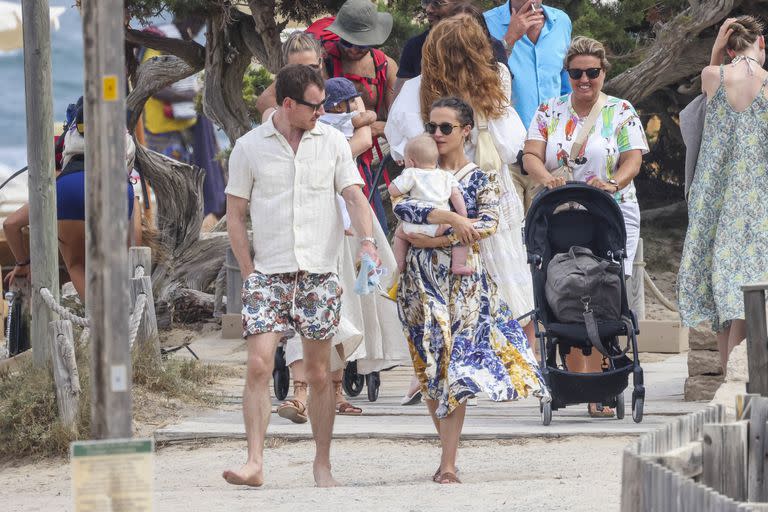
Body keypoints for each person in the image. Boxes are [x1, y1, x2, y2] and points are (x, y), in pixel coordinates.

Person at [222, 64, 379, 488]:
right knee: (258, 365)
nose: (323, 112)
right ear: (287, 104)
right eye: (314, 105)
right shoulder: (248, 147)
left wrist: (367, 243)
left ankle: (322, 462)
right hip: (268, 272)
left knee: (319, 372)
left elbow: (354, 195)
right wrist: (249, 271)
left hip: (319, 270)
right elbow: (235, 216)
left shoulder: (331, 143)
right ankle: (254, 462)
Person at [394, 96, 549, 484]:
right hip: (419, 281)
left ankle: (448, 460)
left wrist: (435, 237)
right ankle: (447, 446)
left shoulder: (481, 177)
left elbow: (488, 223)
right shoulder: (415, 167)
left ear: (465, 131)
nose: (437, 134)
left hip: (463, 282)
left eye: (446, 127)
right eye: (432, 126)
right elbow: (400, 208)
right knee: (428, 366)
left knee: (455, 367)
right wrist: (450, 219)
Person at [522, 36, 648, 417]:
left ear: (603, 72)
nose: (584, 80)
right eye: (576, 73)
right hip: (561, 211)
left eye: (592, 72)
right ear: (568, 74)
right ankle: (580, 379)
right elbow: (531, 154)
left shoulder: (620, 110)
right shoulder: (549, 110)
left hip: (611, 211)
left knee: (606, 288)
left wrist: (613, 183)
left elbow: (632, 159)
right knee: (568, 288)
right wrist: (546, 178)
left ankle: (603, 383)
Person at [678, 15, 768, 373]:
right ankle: (737, 381)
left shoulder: (712, 76)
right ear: (762, 44)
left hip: (714, 194)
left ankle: (730, 379)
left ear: (729, 47)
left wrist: (717, 47)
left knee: (722, 293)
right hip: (755, 196)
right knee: (749, 286)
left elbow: (711, 72)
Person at [4, 99, 137, 300]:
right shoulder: (122, 142)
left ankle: (97, 323)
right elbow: (136, 239)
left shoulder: (57, 184)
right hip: (116, 188)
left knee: (76, 265)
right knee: (121, 263)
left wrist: (23, 263)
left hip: (70, 190)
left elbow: (10, 224)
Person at [484, 0, 572, 211]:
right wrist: (509, 39)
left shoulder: (562, 22)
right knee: (512, 236)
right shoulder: (486, 22)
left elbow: (566, 87)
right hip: (506, 157)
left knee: (554, 234)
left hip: (552, 156)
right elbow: (479, 81)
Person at [389, 135, 471, 276]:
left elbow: (394, 191)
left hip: (415, 226)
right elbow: (456, 196)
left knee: (399, 235)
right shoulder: (446, 176)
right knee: (460, 234)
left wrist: (396, 182)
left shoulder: (411, 173)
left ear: (411, 162)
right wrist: (463, 216)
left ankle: (399, 263)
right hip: (442, 225)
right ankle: (458, 265)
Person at [394, 0, 508, 98]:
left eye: (437, 3)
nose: (428, 9)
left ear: (460, 3)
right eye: (426, 1)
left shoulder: (491, 46)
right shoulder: (415, 46)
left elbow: (500, 99)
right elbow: (398, 101)